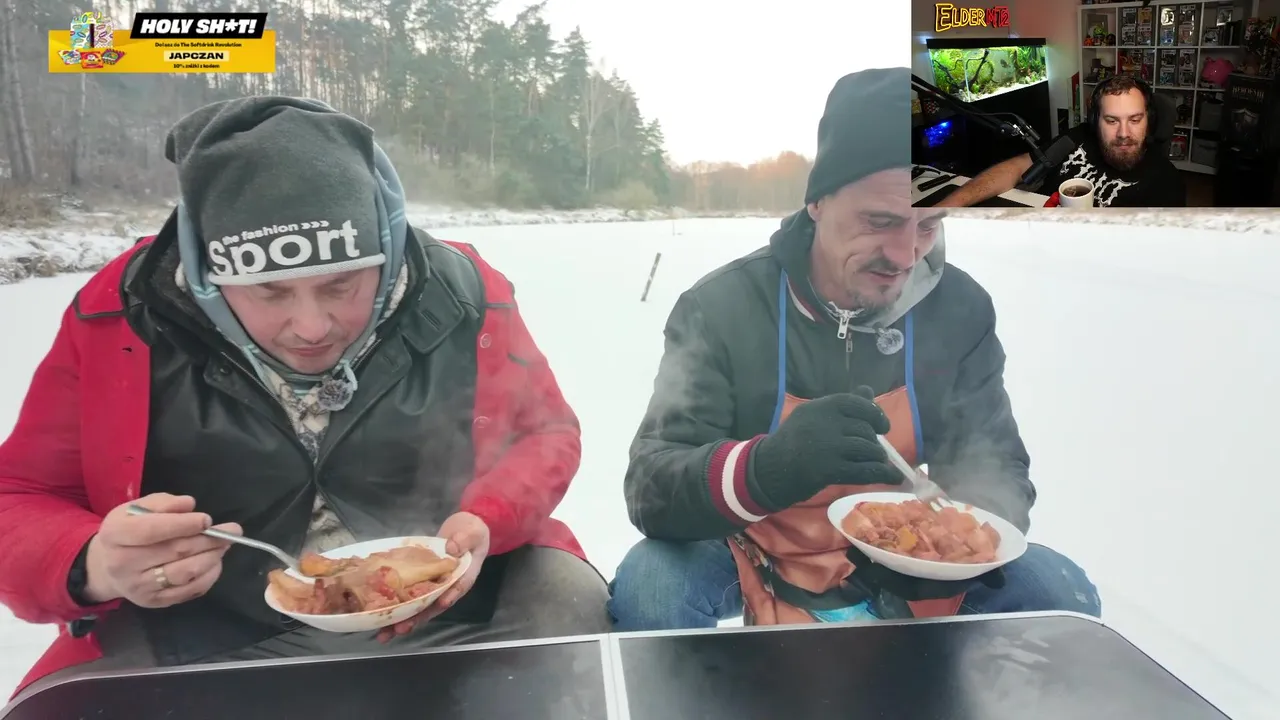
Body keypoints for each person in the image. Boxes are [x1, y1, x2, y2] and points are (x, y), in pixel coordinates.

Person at [0, 97, 609, 698]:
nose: (311, 327)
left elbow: (545, 433)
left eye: (341, 285)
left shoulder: (461, 292)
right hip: (212, 632)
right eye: (269, 292)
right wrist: (95, 562)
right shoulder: (122, 314)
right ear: (210, 273)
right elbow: (21, 495)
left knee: (571, 608)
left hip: (449, 606)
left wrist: (488, 517)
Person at [609, 67, 1101, 630]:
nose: (905, 255)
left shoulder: (958, 310)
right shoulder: (723, 308)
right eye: (880, 221)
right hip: (755, 554)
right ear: (818, 201)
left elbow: (998, 466)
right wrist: (767, 468)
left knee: (1057, 589)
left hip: (894, 555)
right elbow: (651, 488)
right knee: (653, 581)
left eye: (928, 225)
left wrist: (949, 554)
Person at [936, 74, 1185, 208]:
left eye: (1135, 120)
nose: (1123, 133)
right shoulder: (1077, 138)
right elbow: (1016, 167)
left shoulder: (1166, 182)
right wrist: (947, 205)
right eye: (1111, 120)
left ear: (1149, 121)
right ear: (1095, 121)